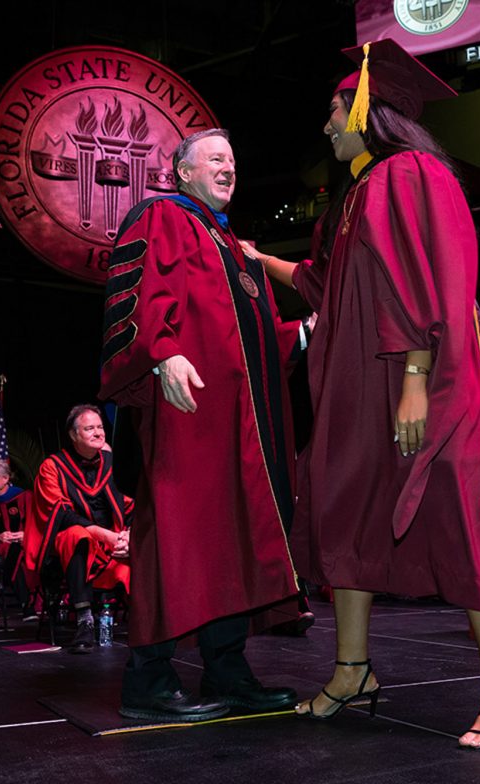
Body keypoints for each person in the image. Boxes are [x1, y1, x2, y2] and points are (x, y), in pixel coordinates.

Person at [244, 40, 480, 749]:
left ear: (369, 111)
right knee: (348, 516)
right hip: (362, 386)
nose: (327, 125)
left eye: (334, 111)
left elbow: (419, 285)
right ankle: (351, 672)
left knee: (453, 516)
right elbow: (326, 285)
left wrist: (413, 382)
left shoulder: (409, 175)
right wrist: (257, 259)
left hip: (413, 379)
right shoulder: (361, 191)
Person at [100, 128, 311, 722]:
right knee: (179, 536)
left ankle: (228, 669)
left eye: (233, 160)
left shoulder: (233, 248)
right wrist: (161, 353)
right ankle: (147, 680)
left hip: (243, 424)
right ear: (181, 172)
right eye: (215, 158)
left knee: (233, 540)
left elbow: (252, 342)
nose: (228, 168)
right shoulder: (162, 215)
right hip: (189, 411)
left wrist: (304, 334)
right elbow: (140, 295)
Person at [23, 404, 131, 654]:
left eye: (100, 427)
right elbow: (59, 513)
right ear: (73, 435)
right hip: (69, 546)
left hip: (111, 542)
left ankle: (154, 621)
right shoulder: (53, 466)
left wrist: (128, 534)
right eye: (89, 428)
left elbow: (132, 504)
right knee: (76, 535)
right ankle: (84, 619)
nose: (98, 433)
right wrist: (105, 535)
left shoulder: (114, 463)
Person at [0, 458, 34, 616]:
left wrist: (26, 534)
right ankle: (26, 603)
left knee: (18, 550)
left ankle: (0, 596)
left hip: (25, 544)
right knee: (11, 549)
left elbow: (37, 524)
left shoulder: (24, 497)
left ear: (5, 479)